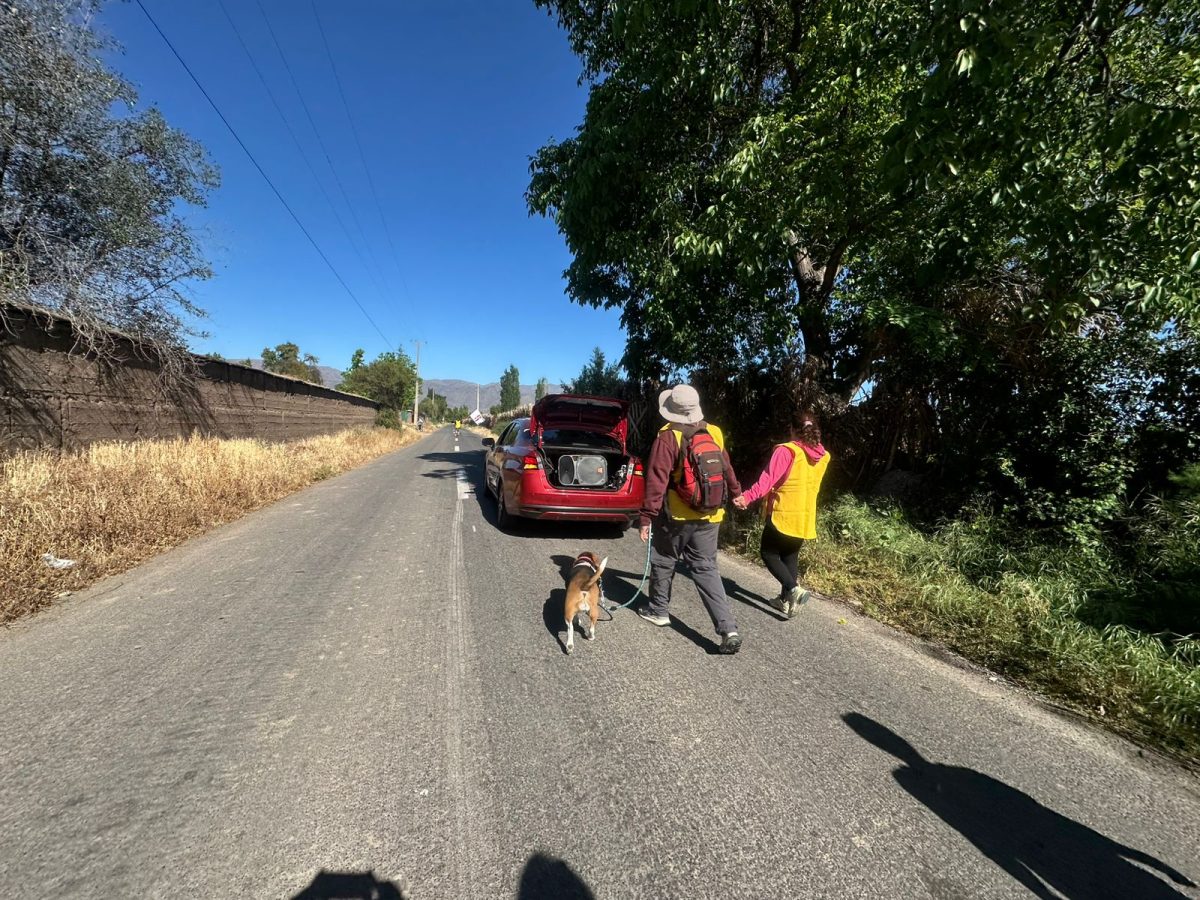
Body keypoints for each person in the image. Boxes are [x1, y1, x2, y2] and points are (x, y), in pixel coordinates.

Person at [636, 384, 745, 654]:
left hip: (677, 515)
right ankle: (728, 628)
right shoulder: (714, 431)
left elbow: (656, 480)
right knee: (706, 568)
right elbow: (727, 467)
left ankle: (659, 610)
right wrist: (737, 493)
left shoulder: (667, 436)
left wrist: (647, 517)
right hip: (711, 514)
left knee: (664, 560)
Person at [733, 409, 830, 617]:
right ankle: (786, 602)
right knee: (790, 557)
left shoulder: (787, 451)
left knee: (768, 553)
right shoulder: (823, 456)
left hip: (783, 513)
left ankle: (793, 589)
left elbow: (767, 480)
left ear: (792, 429)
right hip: (804, 516)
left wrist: (747, 497)